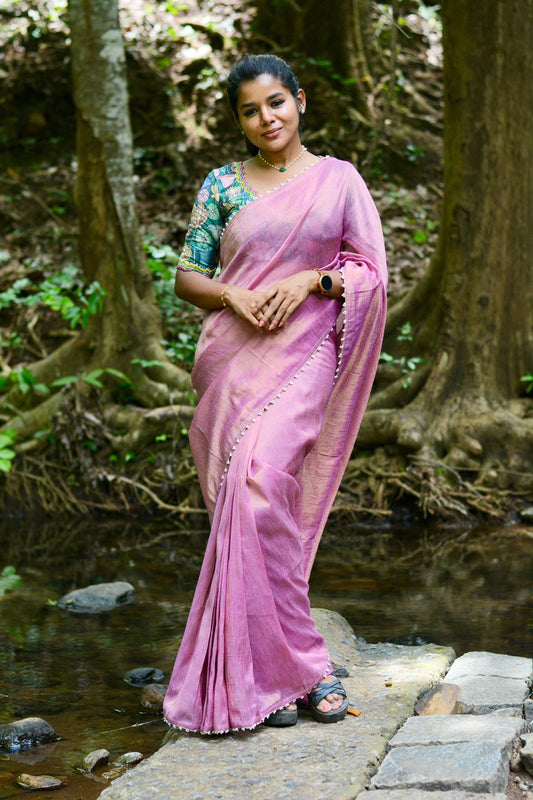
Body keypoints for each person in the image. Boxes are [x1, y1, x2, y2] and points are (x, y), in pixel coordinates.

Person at [163, 53, 387, 734]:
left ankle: (305, 668)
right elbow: (185, 276)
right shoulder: (224, 184)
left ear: (300, 101)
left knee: (261, 482)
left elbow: (371, 271)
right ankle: (272, 677)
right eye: (250, 110)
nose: (266, 119)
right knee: (253, 504)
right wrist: (233, 292)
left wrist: (311, 283)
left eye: (276, 103)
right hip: (234, 360)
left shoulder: (338, 181)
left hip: (308, 350)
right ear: (238, 119)